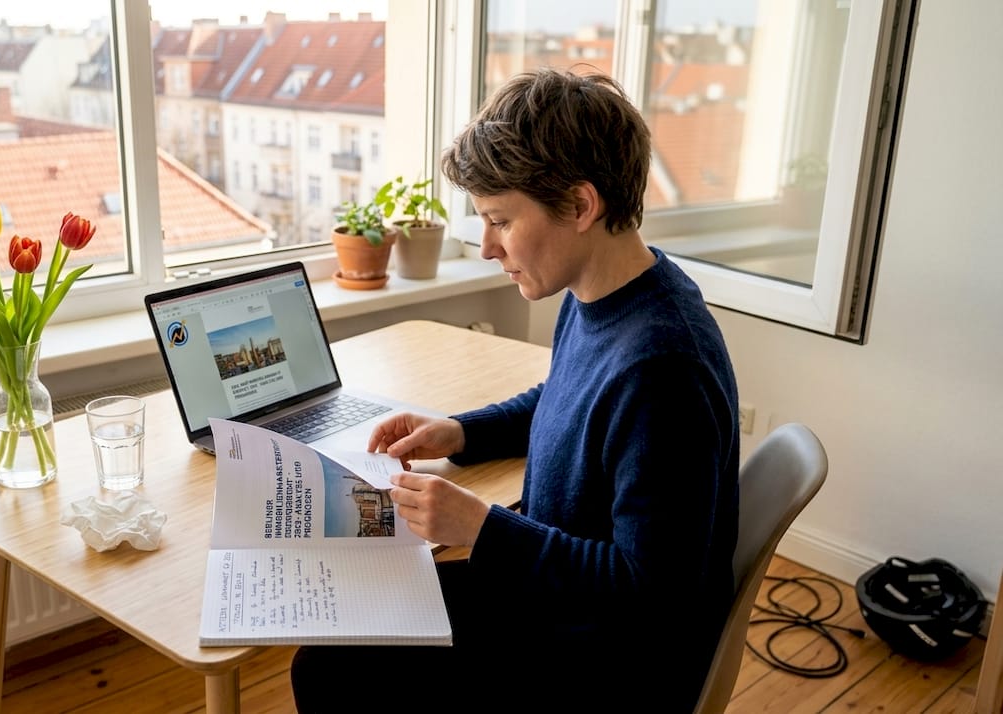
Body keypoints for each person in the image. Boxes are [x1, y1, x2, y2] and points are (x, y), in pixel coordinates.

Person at [289, 67, 740, 712]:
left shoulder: (664, 368)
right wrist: (461, 432)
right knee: (339, 634)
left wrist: (482, 527)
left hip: (606, 659)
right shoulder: (602, 292)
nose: (485, 248)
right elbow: (565, 398)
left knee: (330, 669)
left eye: (499, 220)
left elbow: (651, 595)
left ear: (580, 206)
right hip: (556, 597)